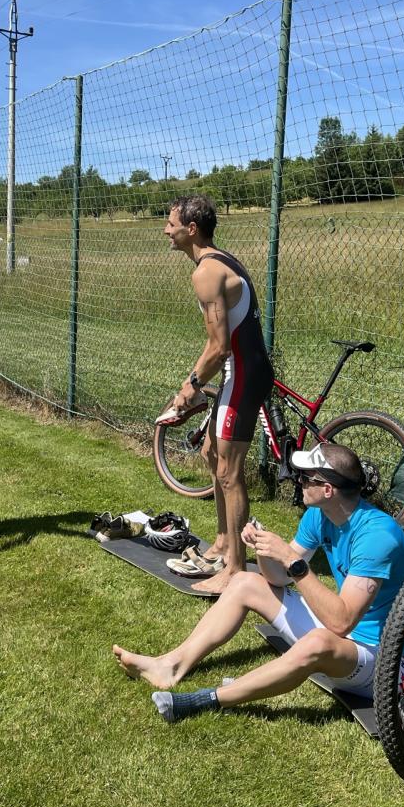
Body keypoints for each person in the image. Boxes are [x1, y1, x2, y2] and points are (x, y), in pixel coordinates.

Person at [113, 442, 404, 722]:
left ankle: (206, 700)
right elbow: (278, 578)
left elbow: (341, 621)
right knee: (245, 582)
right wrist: (264, 550)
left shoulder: (377, 537)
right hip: (343, 637)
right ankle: (170, 666)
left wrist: (292, 560)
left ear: (327, 490)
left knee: (318, 642)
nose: (299, 482)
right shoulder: (320, 515)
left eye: (306, 478)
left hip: (383, 661)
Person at [161, 192, 273, 594]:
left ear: (191, 229)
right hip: (239, 372)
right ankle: (224, 543)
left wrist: (188, 388)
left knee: (228, 472)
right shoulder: (219, 260)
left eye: (171, 224)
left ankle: (235, 572)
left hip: (243, 375)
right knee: (211, 452)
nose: (166, 231)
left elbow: (219, 346)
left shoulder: (206, 272)